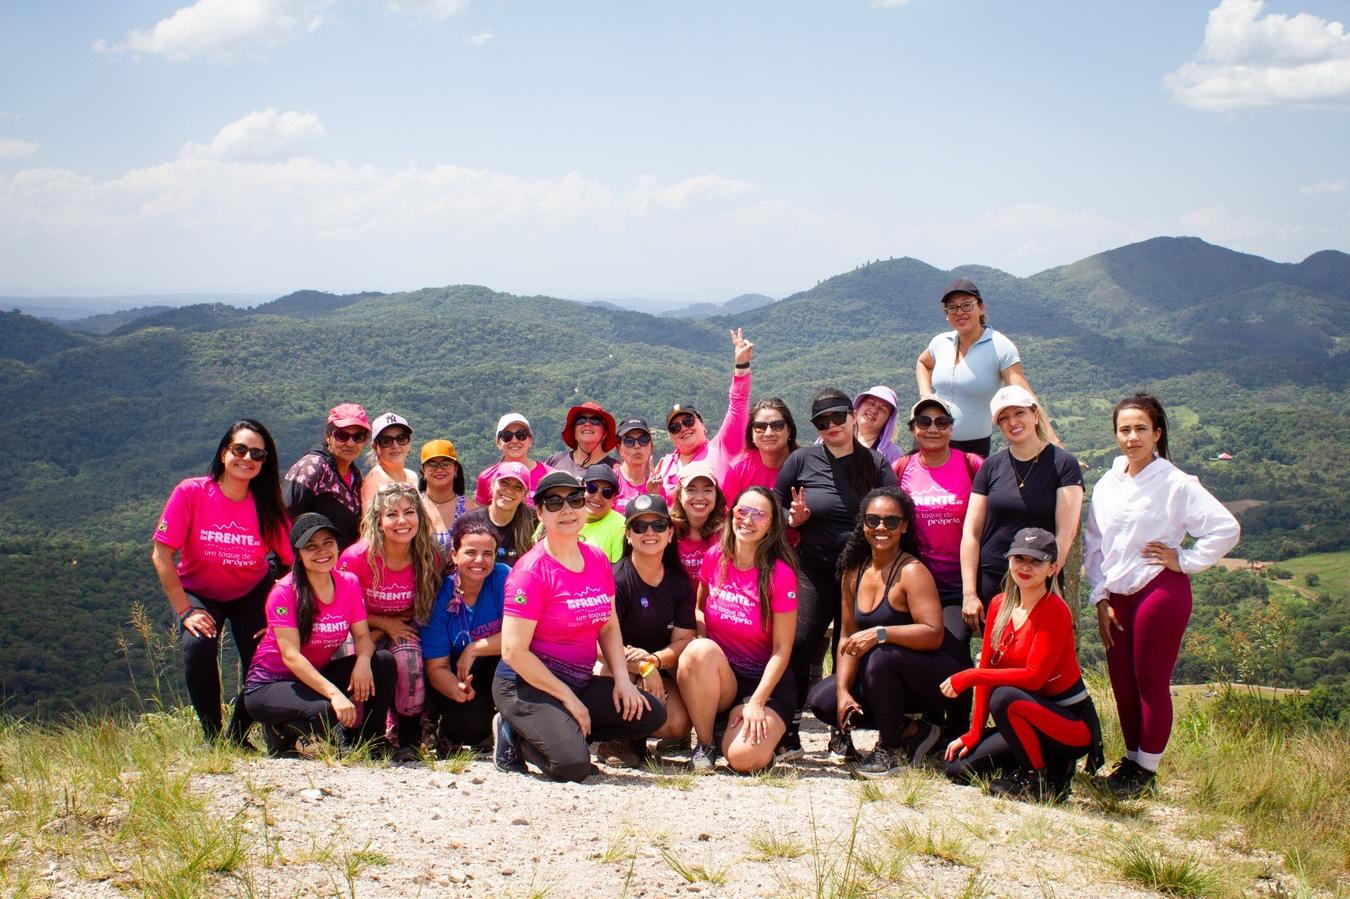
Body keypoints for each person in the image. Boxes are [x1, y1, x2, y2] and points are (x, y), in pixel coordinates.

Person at [1084, 393, 1240, 798]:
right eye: (1124, 429)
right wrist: (1100, 598)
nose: (1132, 437)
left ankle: (1146, 770)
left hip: (1159, 588)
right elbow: (1095, 545)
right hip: (1117, 593)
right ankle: (1130, 760)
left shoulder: (1175, 483)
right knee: (1121, 681)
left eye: (1141, 428)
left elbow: (1225, 528)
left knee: (1149, 681)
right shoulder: (1108, 484)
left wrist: (1183, 559)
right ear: (1115, 434)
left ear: (1157, 433)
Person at [492, 472, 667, 782]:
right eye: (554, 503)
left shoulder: (596, 559)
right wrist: (569, 699)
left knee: (649, 713)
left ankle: (560, 731)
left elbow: (608, 625)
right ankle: (514, 732)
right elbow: (513, 652)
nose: (567, 510)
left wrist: (623, 680)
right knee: (572, 767)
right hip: (527, 684)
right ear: (540, 512)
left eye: (574, 500)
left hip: (578, 680)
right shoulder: (531, 572)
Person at [806, 488, 967, 776]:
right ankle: (913, 731)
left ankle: (890, 750)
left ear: (904, 526)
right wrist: (843, 691)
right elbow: (847, 637)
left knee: (880, 656)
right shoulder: (852, 572)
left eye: (891, 521)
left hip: (938, 675)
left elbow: (933, 634)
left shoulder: (912, 571)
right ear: (863, 524)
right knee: (823, 700)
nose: (881, 527)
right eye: (873, 520)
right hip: (886, 672)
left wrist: (880, 633)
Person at [775, 387, 898, 758]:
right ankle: (789, 729)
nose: (831, 425)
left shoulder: (875, 464)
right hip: (812, 568)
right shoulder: (801, 461)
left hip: (861, 572)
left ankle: (841, 731)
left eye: (838, 417)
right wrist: (792, 518)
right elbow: (775, 505)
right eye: (821, 421)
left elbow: (895, 510)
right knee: (800, 642)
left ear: (853, 415)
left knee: (850, 648)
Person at [152, 419, 292, 744]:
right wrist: (185, 611)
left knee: (265, 657)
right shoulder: (192, 492)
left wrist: (280, 613)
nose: (247, 458)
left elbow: (293, 563)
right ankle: (213, 739)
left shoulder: (267, 506)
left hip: (251, 592)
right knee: (198, 646)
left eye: (257, 454)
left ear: (265, 462)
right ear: (224, 452)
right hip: (199, 591)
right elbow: (161, 554)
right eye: (240, 449)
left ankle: (238, 737)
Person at [943, 528, 1103, 802]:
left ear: (1052, 568)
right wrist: (975, 732)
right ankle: (1036, 763)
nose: (1025, 567)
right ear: (1009, 560)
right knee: (957, 767)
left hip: (1070, 724)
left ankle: (1036, 779)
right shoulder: (999, 605)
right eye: (1019, 558)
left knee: (1004, 696)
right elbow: (989, 668)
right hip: (1025, 716)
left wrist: (970, 675)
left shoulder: (1054, 609)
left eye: (1036, 561)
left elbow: (1034, 678)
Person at [243, 513, 397, 757]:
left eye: (328, 542)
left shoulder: (348, 582)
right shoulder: (284, 592)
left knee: (384, 662)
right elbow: (291, 657)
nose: (322, 551)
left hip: (312, 676)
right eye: (311, 546)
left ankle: (372, 741)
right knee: (327, 709)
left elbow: (362, 637)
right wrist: (335, 694)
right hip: (269, 685)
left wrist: (363, 661)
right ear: (298, 554)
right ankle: (280, 733)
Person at [677, 487, 798, 773]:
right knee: (698, 651)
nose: (748, 520)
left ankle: (746, 734)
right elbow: (699, 609)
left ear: (771, 526)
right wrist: (704, 651)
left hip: (765, 683)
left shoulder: (780, 574)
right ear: (732, 515)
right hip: (725, 677)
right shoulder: (715, 557)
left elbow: (782, 650)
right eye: (742, 511)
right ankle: (706, 744)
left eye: (759, 515)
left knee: (745, 759)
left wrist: (756, 702)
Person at [960, 385, 1083, 636]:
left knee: (1035, 651)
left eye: (1019, 413)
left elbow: (1066, 532)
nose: (1012, 422)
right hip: (992, 577)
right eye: (1004, 418)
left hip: (1039, 579)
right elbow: (971, 533)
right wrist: (969, 593)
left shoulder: (1063, 464)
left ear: (1035, 415)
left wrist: (1045, 577)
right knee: (996, 651)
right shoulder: (991, 467)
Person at [338, 482, 443, 761]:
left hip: (402, 626)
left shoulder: (428, 556)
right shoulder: (357, 558)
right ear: (378, 520)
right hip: (357, 627)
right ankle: (352, 733)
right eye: (391, 514)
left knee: (410, 661)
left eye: (408, 512)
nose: (401, 521)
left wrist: (392, 626)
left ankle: (407, 737)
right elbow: (339, 606)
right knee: (351, 659)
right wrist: (383, 624)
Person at [915, 278, 1056, 456]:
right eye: (952, 307)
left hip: (971, 449)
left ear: (981, 307)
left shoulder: (1000, 346)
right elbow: (923, 362)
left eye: (967, 305)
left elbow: (1025, 396)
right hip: (930, 439)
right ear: (947, 314)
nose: (960, 312)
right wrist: (925, 394)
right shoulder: (940, 342)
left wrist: (1052, 441)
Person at [608, 493, 697, 757]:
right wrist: (642, 667)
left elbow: (683, 641)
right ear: (628, 535)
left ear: (670, 534)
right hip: (616, 665)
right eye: (639, 526)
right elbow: (599, 641)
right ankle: (618, 739)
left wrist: (653, 662)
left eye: (658, 525)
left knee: (677, 724)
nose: (649, 532)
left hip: (659, 668)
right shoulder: (615, 579)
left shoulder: (679, 582)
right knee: (611, 675)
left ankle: (638, 728)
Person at [421, 516, 509, 755]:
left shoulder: (503, 578)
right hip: (452, 675)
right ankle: (439, 722)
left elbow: (520, 635)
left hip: (493, 668)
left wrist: (473, 649)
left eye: (488, 553)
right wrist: (457, 689)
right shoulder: (440, 596)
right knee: (471, 726)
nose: (480, 560)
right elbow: (436, 667)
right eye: (470, 552)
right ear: (454, 555)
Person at [653, 329, 754, 501]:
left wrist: (741, 366)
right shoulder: (665, 464)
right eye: (675, 427)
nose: (683, 428)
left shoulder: (723, 447)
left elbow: (738, 405)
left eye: (688, 421)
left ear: (703, 425)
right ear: (671, 437)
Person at [284, 403, 369, 548]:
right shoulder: (312, 467)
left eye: (358, 437)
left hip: (337, 560)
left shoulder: (356, 478)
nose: (350, 443)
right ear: (329, 436)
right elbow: (284, 520)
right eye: (342, 436)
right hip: (306, 558)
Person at [456, 462, 538, 567]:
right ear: (492, 484)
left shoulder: (533, 523)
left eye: (518, 487)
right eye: (504, 483)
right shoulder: (469, 521)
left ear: (525, 495)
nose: (509, 491)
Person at [721, 398, 799, 503]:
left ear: (789, 430)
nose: (768, 433)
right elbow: (729, 511)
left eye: (777, 426)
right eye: (760, 427)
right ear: (751, 433)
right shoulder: (738, 470)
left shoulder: (806, 465)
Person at [472, 413, 556, 508]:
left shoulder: (551, 476)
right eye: (507, 436)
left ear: (530, 440)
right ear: (498, 442)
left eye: (521, 435)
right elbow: (482, 515)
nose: (514, 441)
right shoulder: (486, 478)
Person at [669, 461, 727, 583]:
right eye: (691, 490)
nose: (700, 497)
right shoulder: (667, 528)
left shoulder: (728, 530)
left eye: (707, 490)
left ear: (716, 495)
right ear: (679, 496)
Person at [544, 402, 620, 478]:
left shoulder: (616, 469)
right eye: (580, 420)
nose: (587, 424)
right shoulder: (555, 460)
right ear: (573, 431)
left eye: (595, 420)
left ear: (605, 433)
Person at [361, 413, 419, 507]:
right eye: (386, 441)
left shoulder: (412, 476)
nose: (395, 445)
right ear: (375, 447)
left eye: (401, 439)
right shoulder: (374, 482)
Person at [419, 439, 466, 553]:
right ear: (423, 471)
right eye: (432, 465)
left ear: (455, 469)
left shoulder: (469, 509)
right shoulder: (413, 505)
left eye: (446, 464)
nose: (439, 469)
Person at [580, 464, 627, 562]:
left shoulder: (620, 527)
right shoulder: (565, 516)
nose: (597, 497)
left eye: (607, 493)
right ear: (582, 488)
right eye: (592, 488)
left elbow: (618, 569)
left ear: (614, 498)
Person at [852, 386, 904, 465]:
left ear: (888, 420)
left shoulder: (894, 455)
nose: (874, 410)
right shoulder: (838, 435)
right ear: (859, 406)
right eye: (871, 403)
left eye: (882, 409)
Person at [612, 417, 655, 514]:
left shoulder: (657, 484)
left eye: (643, 440)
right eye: (629, 441)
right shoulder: (610, 481)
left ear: (650, 446)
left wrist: (654, 495)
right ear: (619, 449)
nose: (637, 446)